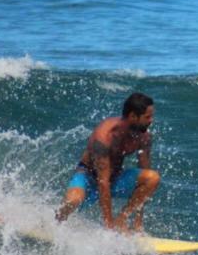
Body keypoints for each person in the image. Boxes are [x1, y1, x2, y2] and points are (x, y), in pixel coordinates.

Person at [56, 92, 161, 232]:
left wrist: (137, 222)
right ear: (133, 116)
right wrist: (108, 228)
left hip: (114, 178)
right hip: (87, 177)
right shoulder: (105, 137)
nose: (151, 120)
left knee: (152, 178)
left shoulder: (144, 137)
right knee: (72, 201)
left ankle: (121, 219)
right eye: (147, 117)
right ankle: (56, 225)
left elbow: (144, 173)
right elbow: (102, 182)